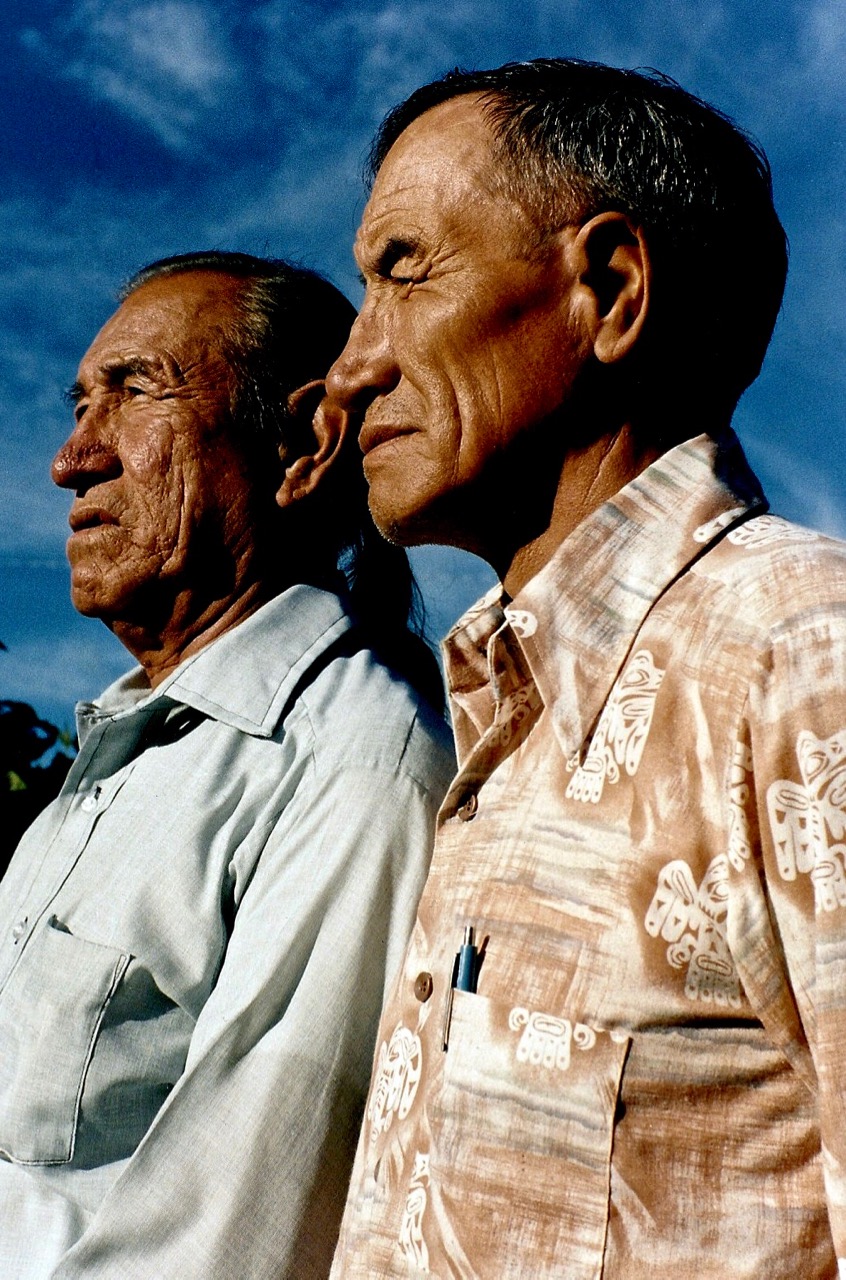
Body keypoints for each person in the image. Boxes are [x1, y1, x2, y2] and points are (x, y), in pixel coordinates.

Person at [324, 58, 846, 1277]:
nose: (351, 367)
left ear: (607, 290)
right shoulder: (500, 730)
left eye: (404, 271)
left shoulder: (801, 655)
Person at [0, 251, 454, 1279]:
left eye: (135, 391)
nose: (73, 458)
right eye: (81, 403)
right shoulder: (107, 762)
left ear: (300, 442)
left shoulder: (356, 767)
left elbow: (235, 1243)